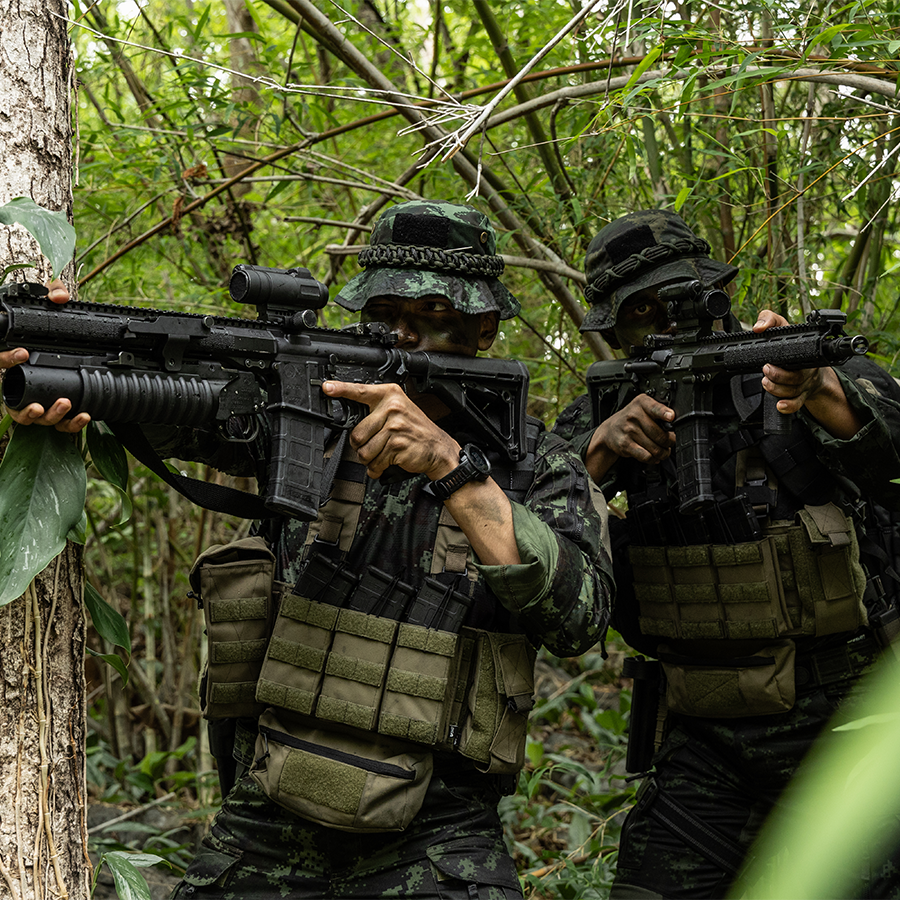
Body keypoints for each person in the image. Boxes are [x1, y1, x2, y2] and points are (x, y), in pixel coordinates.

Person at [3, 200, 614, 899]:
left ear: (485, 327)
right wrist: (66, 354)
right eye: (384, 313)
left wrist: (452, 468)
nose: (403, 334)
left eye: (432, 315)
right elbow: (181, 406)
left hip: (439, 833)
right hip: (268, 816)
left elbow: (581, 618)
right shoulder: (314, 410)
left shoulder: (538, 466)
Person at [552, 209, 900, 899]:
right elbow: (525, 521)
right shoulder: (607, 407)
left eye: (678, 298)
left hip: (848, 720)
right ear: (615, 331)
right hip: (706, 734)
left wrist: (820, 391)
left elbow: (890, 451)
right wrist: (601, 447)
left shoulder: (797, 366)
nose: (665, 320)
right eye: (639, 312)